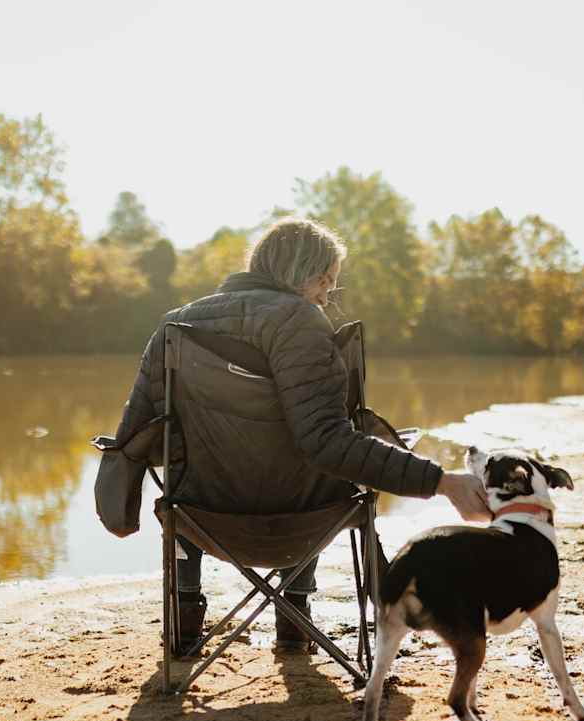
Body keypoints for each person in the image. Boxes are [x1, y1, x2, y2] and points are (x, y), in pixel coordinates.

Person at [115, 217, 489, 653]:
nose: (328, 295)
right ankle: (294, 620)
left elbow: (135, 433)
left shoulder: (174, 326)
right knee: (308, 461)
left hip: (202, 516)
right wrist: (442, 482)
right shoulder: (300, 321)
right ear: (297, 272)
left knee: (190, 465)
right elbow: (327, 442)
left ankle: (183, 623)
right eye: (324, 280)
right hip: (304, 520)